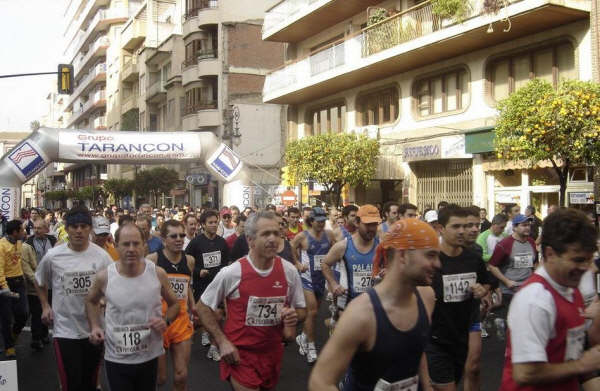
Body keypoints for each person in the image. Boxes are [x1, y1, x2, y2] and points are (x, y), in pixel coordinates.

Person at [309, 219, 440, 391]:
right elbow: (320, 381)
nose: (438, 264)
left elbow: (416, 348)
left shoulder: (426, 297)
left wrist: (427, 386)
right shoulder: (361, 314)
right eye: (430, 255)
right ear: (403, 256)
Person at [196, 211, 306, 391]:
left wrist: (293, 317)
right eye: (265, 234)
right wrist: (222, 341)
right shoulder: (232, 272)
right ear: (250, 240)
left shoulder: (289, 271)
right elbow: (202, 307)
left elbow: (302, 310)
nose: (273, 239)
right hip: (240, 356)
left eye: (276, 233)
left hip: (273, 355)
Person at [500, 208, 600, 390]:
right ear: (551, 254)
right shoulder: (535, 299)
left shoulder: (570, 288)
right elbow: (525, 373)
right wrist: (582, 365)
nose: (586, 268)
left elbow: (577, 354)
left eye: (588, 260)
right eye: (578, 260)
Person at [85, 223, 180, 391]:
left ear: (144, 245)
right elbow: (91, 301)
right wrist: (95, 326)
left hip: (149, 355)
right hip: (117, 357)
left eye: (136, 244)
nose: (131, 249)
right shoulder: (105, 276)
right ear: (116, 245)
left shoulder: (157, 274)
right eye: (126, 244)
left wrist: (166, 320)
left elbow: (174, 304)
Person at [35, 205, 113, 391]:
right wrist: (45, 306)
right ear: (66, 228)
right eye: (74, 226)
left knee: (90, 382)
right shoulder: (53, 256)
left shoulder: (102, 256)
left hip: (94, 330)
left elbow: (114, 287)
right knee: (71, 382)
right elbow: (39, 281)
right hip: (65, 330)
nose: (79, 231)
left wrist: (105, 299)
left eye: (84, 226)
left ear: (90, 229)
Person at [426, 205, 491, 390]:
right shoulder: (430, 258)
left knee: (467, 373)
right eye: (456, 227)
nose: (462, 231)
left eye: (465, 226)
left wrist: (481, 290)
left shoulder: (473, 258)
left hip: (462, 335)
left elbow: (485, 283)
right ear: (440, 228)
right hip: (435, 338)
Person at [147, 220, 196, 391]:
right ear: (163, 239)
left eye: (182, 235)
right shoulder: (152, 260)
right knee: (160, 378)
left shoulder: (189, 260)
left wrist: (193, 305)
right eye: (173, 236)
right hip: (159, 322)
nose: (179, 239)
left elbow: (187, 286)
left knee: (181, 375)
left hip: (181, 321)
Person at [291, 206, 336, 364]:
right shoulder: (302, 236)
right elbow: (290, 246)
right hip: (307, 278)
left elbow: (336, 249)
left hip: (321, 279)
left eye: (323, 221)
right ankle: (311, 347)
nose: (321, 224)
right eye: (318, 221)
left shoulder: (329, 235)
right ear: (311, 221)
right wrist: (297, 262)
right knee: (313, 311)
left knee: (313, 313)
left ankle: (302, 336)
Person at [185, 209, 229, 358]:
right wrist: (198, 271)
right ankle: (190, 336)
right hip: (201, 285)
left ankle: (213, 346)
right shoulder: (196, 243)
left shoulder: (222, 242)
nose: (214, 225)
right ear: (203, 225)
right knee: (202, 317)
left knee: (218, 315)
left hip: (217, 285)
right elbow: (187, 262)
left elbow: (225, 263)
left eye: (216, 222)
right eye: (210, 222)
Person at [322, 205, 381, 311]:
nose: (372, 229)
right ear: (357, 223)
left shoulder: (382, 247)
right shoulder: (343, 246)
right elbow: (325, 264)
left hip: (374, 306)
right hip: (347, 306)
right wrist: (334, 284)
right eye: (368, 225)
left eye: (374, 224)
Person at [488, 213, 537, 326]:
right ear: (514, 227)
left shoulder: (531, 242)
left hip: (527, 289)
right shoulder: (504, 244)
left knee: (526, 323)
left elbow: (534, 263)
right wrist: (506, 281)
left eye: (529, 225)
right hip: (510, 291)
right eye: (523, 225)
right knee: (512, 324)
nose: (527, 227)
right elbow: (492, 266)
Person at [21, 218, 56, 350]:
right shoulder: (27, 244)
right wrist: (36, 280)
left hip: (51, 284)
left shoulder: (53, 241)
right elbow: (25, 266)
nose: (36, 230)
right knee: (36, 313)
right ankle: (36, 338)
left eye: (39, 228)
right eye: (35, 228)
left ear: (46, 229)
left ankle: (45, 333)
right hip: (34, 286)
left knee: (47, 310)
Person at [0, 219, 28, 359]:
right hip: (6, 284)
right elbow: (0, 269)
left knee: (23, 314)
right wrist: (4, 287)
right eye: (22, 230)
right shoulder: (1, 246)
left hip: (19, 282)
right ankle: (9, 346)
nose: (25, 232)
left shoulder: (19, 241)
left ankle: (13, 335)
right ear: (15, 232)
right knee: (6, 317)